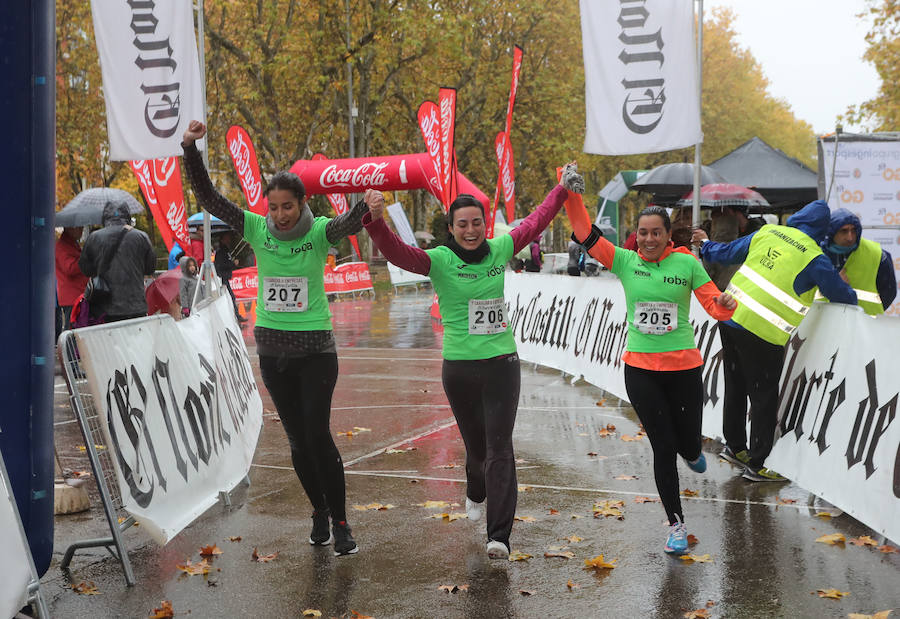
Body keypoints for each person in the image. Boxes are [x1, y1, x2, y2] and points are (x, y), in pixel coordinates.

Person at [362, 163, 585, 559]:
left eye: (477, 222)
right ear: (451, 228)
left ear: (486, 224)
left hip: (501, 364)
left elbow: (534, 223)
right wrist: (376, 222)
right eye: (462, 224)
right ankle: (475, 490)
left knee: (500, 448)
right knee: (477, 451)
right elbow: (398, 253)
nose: (470, 230)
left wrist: (561, 190)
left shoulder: (500, 249)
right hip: (460, 371)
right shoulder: (440, 260)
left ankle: (498, 535)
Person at [182, 120, 366, 556]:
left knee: (319, 436)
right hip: (273, 352)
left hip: (316, 350)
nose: (280, 214)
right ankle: (318, 509)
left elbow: (352, 221)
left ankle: (340, 521)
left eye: (287, 206)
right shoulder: (256, 228)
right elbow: (209, 198)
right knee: (298, 441)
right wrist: (190, 148)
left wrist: (370, 205)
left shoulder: (319, 231)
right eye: (274, 207)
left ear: (301, 203)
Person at [566, 197, 736, 555]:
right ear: (636, 235)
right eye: (642, 233)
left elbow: (711, 302)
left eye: (655, 233)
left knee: (687, 444)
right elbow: (584, 232)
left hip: (684, 370)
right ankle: (676, 525)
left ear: (667, 234)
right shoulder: (624, 261)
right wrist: (571, 193)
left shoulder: (687, 263)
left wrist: (723, 305)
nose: (648, 239)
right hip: (641, 371)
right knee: (662, 447)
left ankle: (691, 450)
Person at [691, 200, 857, 482]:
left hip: (730, 318)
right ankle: (758, 463)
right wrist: (847, 286)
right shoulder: (815, 258)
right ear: (822, 230)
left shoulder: (768, 233)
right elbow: (842, 296)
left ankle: (735, 448)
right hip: (763, 333)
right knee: (763, 398)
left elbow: (727, 252)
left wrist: (705, 244)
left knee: (736, 386)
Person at [79, 201, 156, 323]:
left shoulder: (94, 237)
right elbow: (150, 268)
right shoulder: (141, 237)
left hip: (104, 308)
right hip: (135, 306)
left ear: (105, 217)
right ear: (127, 217)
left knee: (107, 342)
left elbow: (85, 269)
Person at [820, 208, 896, 315]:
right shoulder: (817, 254)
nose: (850, 237)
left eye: (853, 230)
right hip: (825, 322)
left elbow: (889, 292)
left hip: (865, 324)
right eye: (844, 231)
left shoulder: (877, 255)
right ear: (832, 232)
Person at [702, 205, 766, 292]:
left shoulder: (712, 250)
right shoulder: (741, 246)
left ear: (714, 227)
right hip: (739, 291)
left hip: (718, 294)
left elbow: (705, 278)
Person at [56, 226, 89, 331]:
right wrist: (85, 259)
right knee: (73, 331)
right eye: (78, 227)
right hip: (71, 297)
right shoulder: (62, 246)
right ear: (70, 228)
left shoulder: (72, 244)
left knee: (77, 328)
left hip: (77, 295)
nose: (82, 229)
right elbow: (69, 268)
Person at [214, 231, 248, 322]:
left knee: (230, 297)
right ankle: (235, 316)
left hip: (225, 278)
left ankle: (235, 316)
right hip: (222, 278)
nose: (228, 239)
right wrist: (232, 264)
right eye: (226, 238)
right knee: (230, 298)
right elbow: (220, 265)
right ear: (222, 239)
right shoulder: (220, 252)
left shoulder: (226, 251)